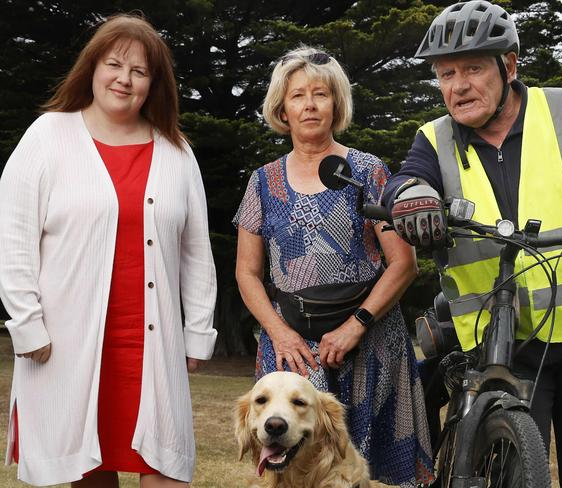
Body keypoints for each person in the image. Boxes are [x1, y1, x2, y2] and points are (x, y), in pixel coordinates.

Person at [381, 1, 562, 486]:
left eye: (472, 69)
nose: (458, 85)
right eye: (445, 74)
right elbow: (406, 180)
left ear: (509, 65)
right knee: (506, 471)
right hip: (500, 337)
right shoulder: (433, 138)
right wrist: (413, 196)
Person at [0, 13, 217, 487]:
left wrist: (198, 330)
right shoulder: (47, 136)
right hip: (68, 342)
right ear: (92, 68)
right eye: (114, 65)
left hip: (150, 345)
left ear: (153, 84)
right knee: (90, 469)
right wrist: (26, 323)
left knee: (166, 466)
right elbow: (14, 241)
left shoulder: (176, 151)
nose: (125, 79)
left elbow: (197, 251)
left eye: (140, 72)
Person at [233, 45, 434, 487]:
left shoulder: (368, 171)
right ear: (281, 107)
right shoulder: (262, 182)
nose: (309, 105)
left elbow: (403, 263)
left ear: (336, 103)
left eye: (320, 94)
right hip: (292, 350)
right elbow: (247, 273)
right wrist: (279, 333)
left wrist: (355, 326)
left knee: (378, 473)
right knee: (289, 469)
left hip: (370, 341)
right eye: (298, 95)